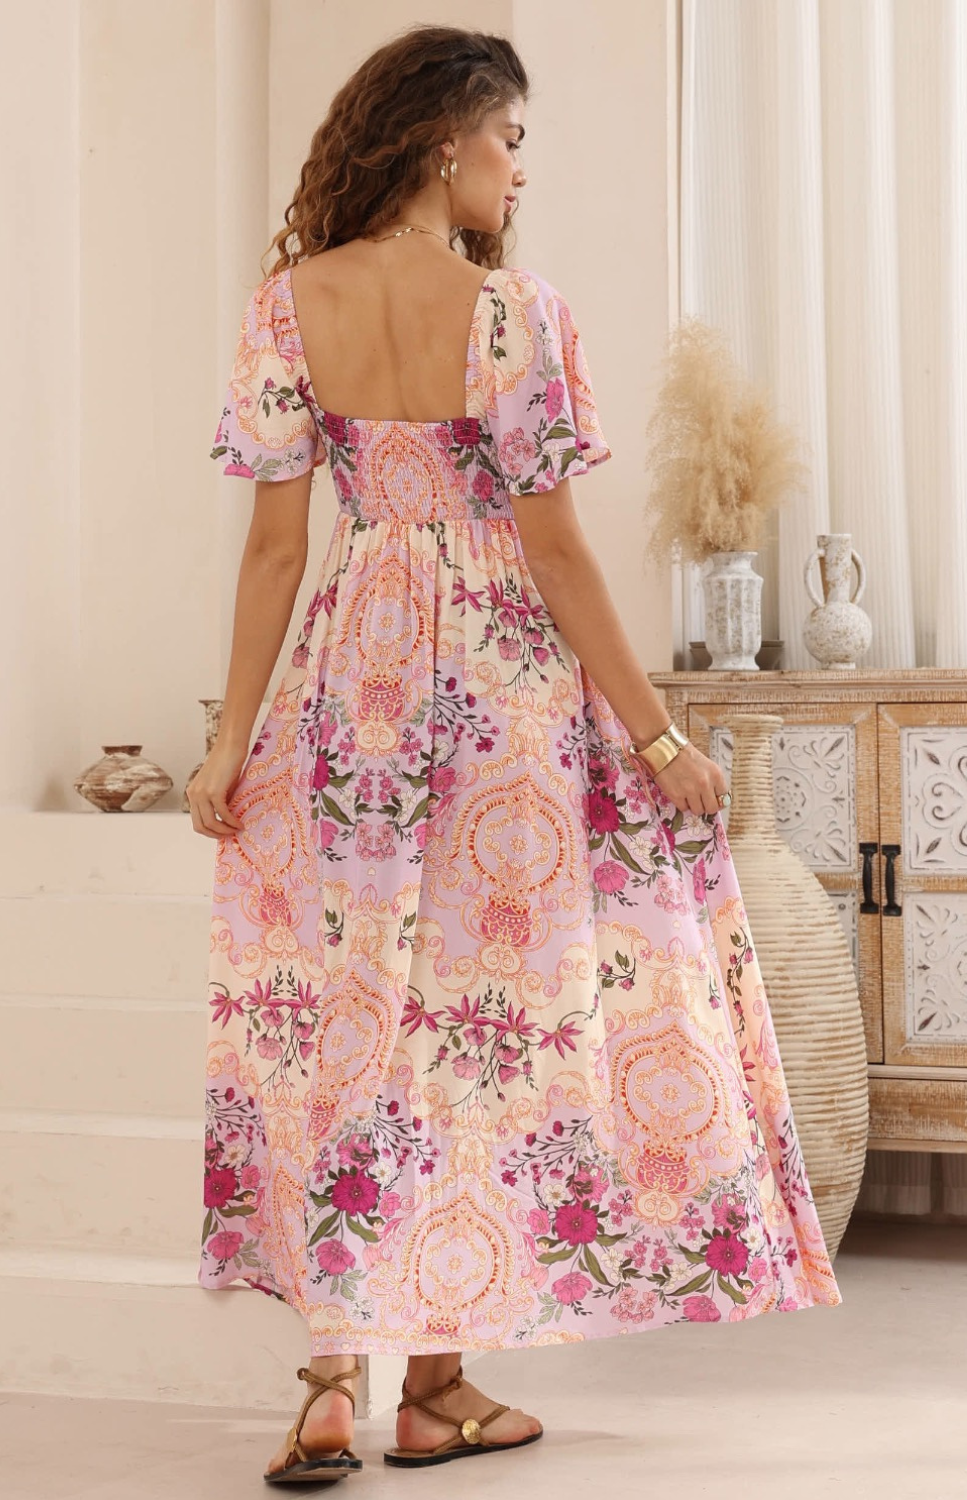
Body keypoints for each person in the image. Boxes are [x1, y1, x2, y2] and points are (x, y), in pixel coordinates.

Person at [188, 22, 841, 1485]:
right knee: (478, 1028)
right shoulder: (513, 316)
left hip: (345, 687)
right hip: (496, 695)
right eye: (512, 138)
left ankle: (332, 1384)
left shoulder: (287, 307)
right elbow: (552, 548)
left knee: (341, 1013)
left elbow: (273, 551)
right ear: (447, 142)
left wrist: (228, 742)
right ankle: (434, 1386)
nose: (518, 166)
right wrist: (657, 732)